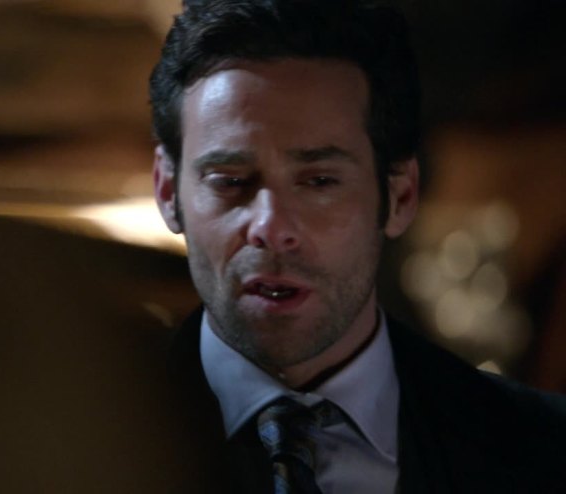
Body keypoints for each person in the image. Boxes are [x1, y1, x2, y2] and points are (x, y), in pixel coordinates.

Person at [149, 0, 566, 492]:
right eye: (231, 181)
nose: (270, 226)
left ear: (400, 195)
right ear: (168, 193)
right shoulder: (100, 426)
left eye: (319, 182)